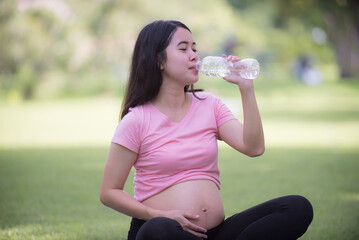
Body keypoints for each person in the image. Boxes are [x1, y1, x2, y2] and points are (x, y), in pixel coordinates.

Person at [100, 20, 313, 240]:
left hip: (217, 233)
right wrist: (157, 214)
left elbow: (254, 147)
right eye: (183, 49)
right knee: (157, 230)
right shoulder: (137, 120)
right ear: (158, 60)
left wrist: (246, 89)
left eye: (194, 49)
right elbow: (109, 192)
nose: (194, 55)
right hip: (167, 233)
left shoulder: (209, 105)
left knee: (297, 207)